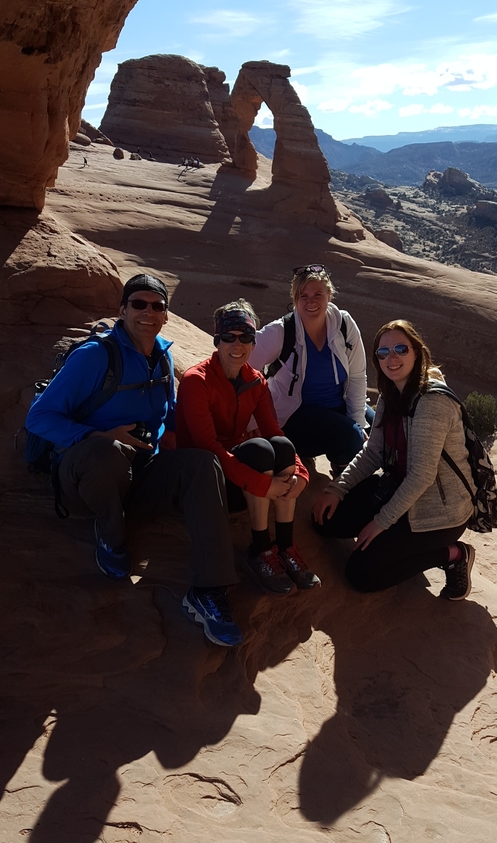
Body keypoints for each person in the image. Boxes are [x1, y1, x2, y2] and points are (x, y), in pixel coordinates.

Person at [25, 272, 243, 648]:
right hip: (87, 475)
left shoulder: (161, 355)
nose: (147, 312)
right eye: (138, 304)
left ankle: (208, 591)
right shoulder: (96, 357)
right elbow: (39, 418)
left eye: (156, 306)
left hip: (141, 472)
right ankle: (111, 536)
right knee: (107, 453)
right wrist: (98, 435)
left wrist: (213, 441)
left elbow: (171, 415)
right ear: (122, 310)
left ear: (165, 315)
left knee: (203, 465)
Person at [312, 320, 476, 599]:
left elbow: (422, 475)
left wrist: (380, 522)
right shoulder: (391, 393)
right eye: (383, 352)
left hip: (439, 513)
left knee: (361, 575)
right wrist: (336, 488)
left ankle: (453, 554)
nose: (392, 358)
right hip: (398, 491)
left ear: (417, 353)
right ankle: (400, 546)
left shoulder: (432, 402)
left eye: (401, 349)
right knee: (325, 520)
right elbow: (373, 452)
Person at [176, 299, 320, 595]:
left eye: (245, 338)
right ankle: (260, 549)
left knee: (277, 444)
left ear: (254, 344)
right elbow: (208, 447)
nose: (236, 344)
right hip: (206, 478)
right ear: (217, 341)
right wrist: (259, 484)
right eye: (228, 337)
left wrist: (302, 475)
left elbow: (274, 432)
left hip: (237, 475)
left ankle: (285, 545)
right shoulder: (196, 381)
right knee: (257, 450)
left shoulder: (255, 381)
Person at [250, 265, 368, 476]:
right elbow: (244, 368)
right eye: (303, 295)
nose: (310, 301)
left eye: (317, 294)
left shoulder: (344, 325)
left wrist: (360, 422)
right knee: (352, 437)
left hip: (336, 404)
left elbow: (358, 376)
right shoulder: (281, 331)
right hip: (295, 415)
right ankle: (343, 479)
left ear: (329, 295)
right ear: (294, 299)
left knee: (379, 426)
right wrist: (253, 422)